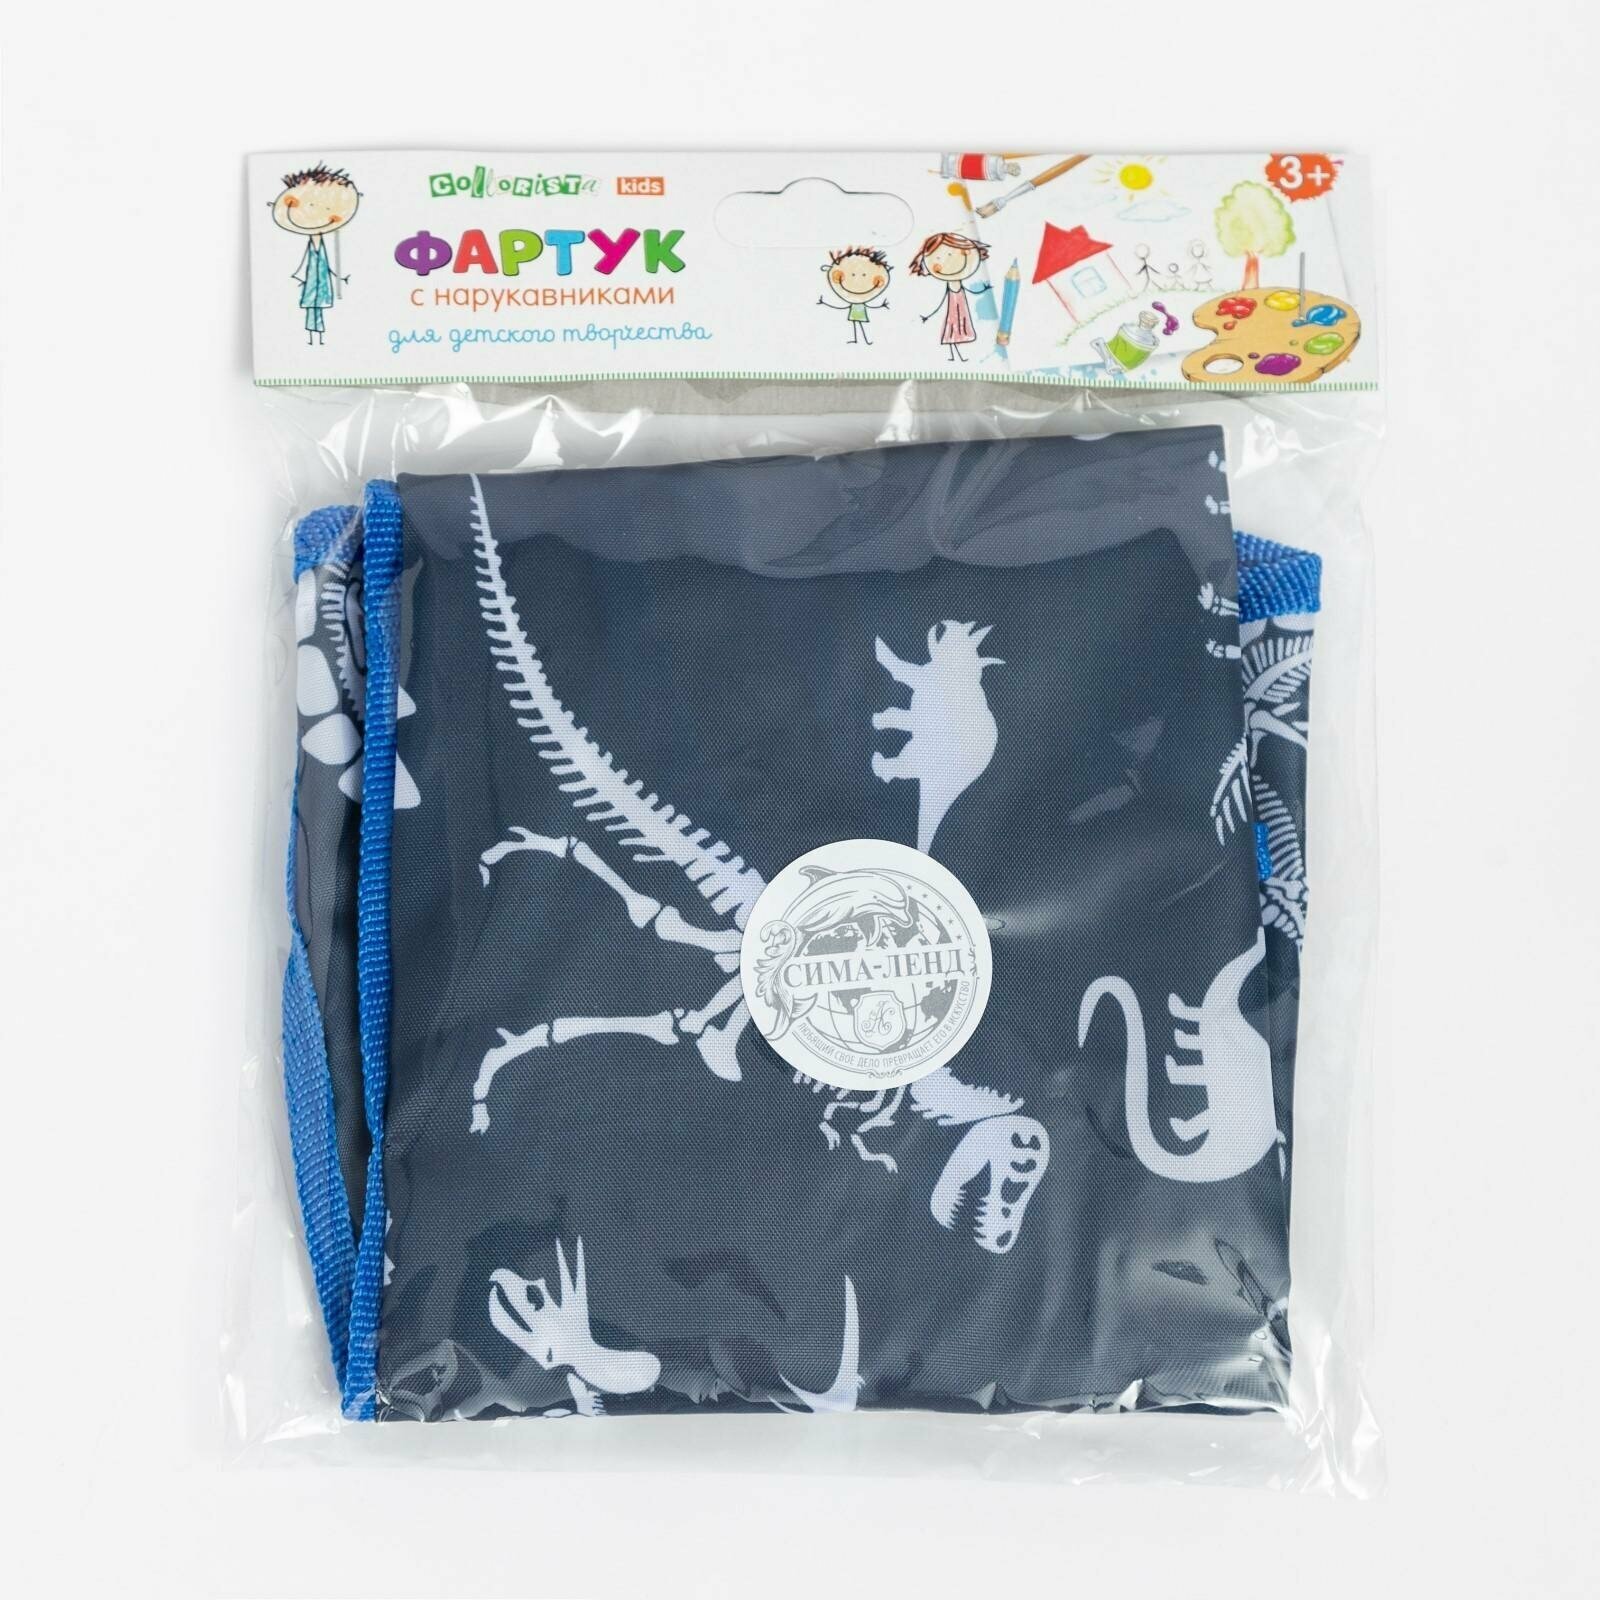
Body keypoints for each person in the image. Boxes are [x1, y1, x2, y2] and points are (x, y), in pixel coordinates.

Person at [269, 165, 360, 345]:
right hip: (310, 286)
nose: (328, 216)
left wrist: (339, 276)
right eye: (311, 206)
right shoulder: (303, 245)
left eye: (329, 209)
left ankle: (317, 339)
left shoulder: (326, 244)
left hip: (320, 285)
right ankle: (313, 339)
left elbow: (327, 265)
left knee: (316, 311)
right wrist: (297, 276)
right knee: (312, 311)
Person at [909, 232, 992, 361]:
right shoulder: (948, 285)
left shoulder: (960, 281)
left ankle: (958, 355)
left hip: (962, 312)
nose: (943, 264)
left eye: (950, 255)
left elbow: (969, 290)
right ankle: (955, 355)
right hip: (954, 312)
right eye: (937, 259)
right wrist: (929, 314)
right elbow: (943, 300)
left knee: (960, 331)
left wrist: (983, 289)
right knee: (953, 331)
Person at [816, 246, 892, 345]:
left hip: (859, 313)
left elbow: (845, 307)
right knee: (856, 325)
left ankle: (865, 340)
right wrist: (825, 303)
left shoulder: (859, 303)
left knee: (859, 325)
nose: (858, 281)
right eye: (852, 275)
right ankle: (859, 339)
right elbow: (842, 307)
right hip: (855, 314)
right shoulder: (854, 302)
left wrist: (881, 305)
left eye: (864, 275)